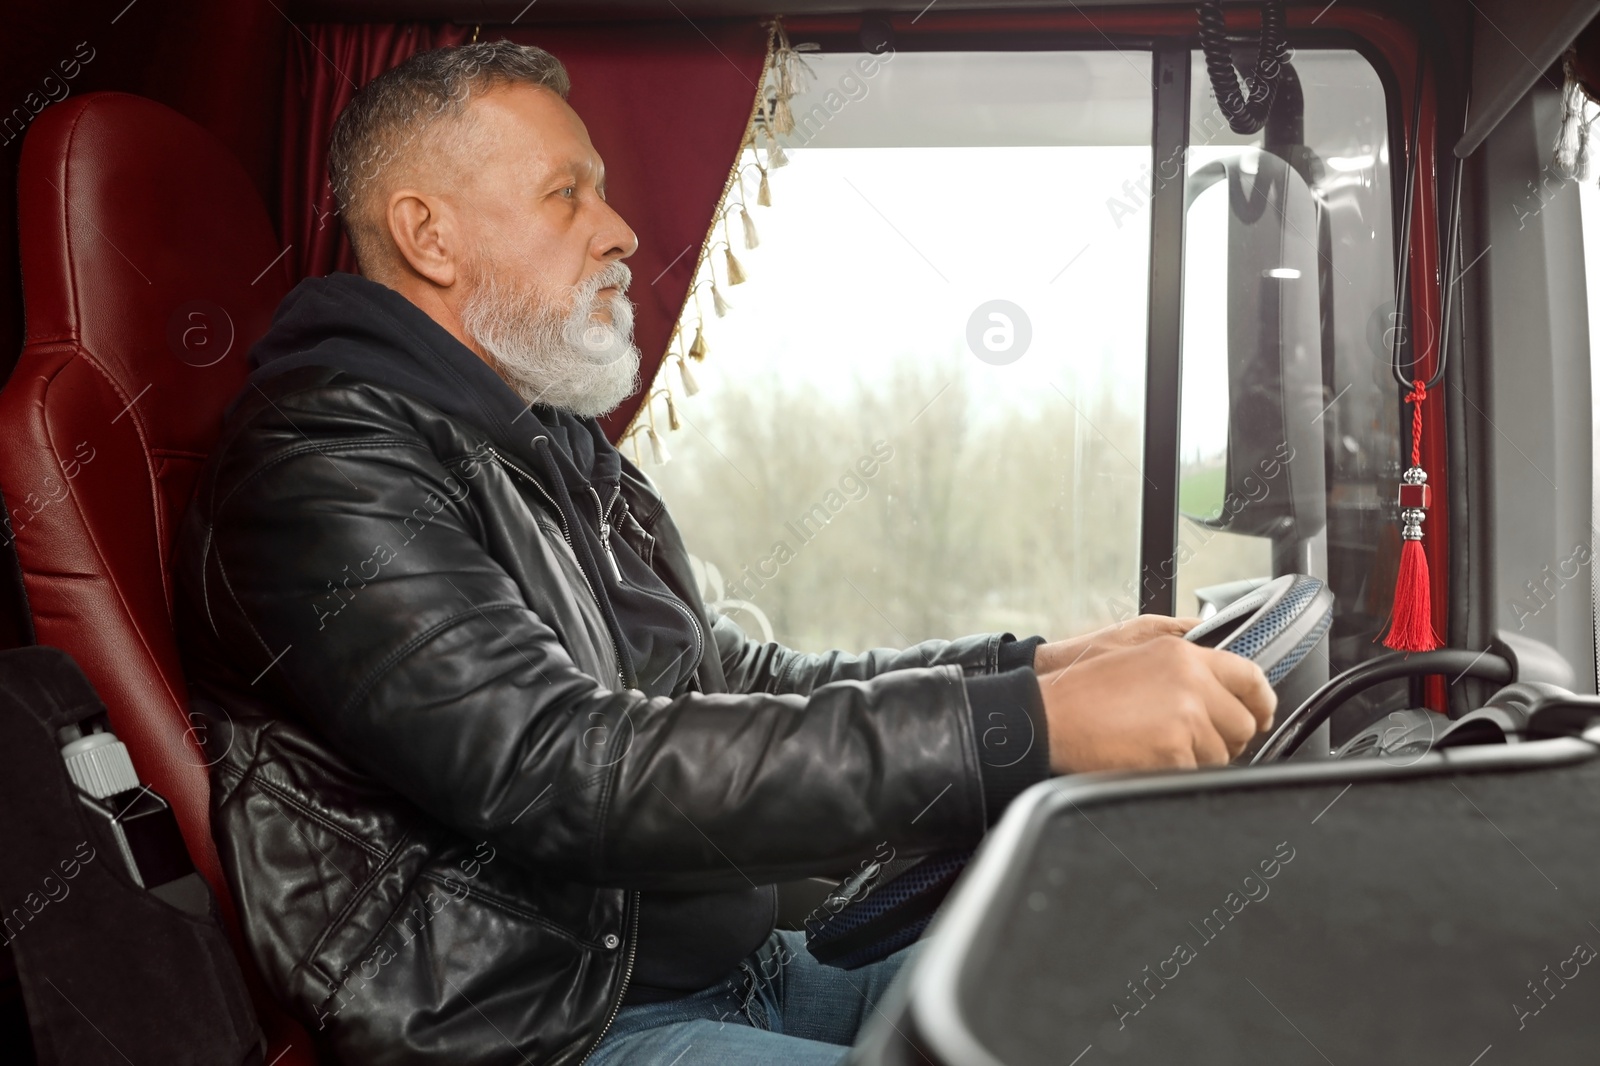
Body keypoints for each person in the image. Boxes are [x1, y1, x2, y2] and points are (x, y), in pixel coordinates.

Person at [172, 40, 1276, 1066]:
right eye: (568, 194)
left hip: (743, 972)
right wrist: (1019, 734)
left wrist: (1033, 670)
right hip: (555, 1029)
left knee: (1127, 989)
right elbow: (560, 766)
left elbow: (734, 676)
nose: (618, 230)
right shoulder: (318, 463)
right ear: (428, 234)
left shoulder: (544, 437)